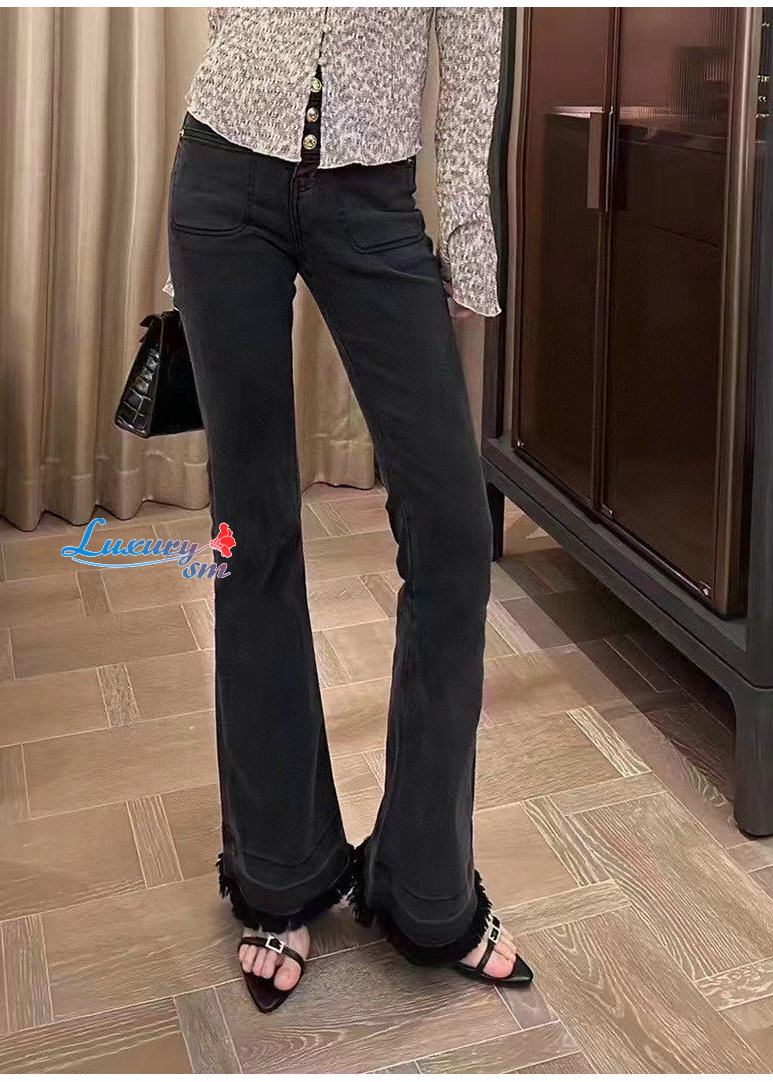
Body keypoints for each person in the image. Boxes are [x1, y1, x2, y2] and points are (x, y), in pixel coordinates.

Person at [166, 6, 532, 1013]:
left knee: (453, 535)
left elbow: (473, 42)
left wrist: (468, 238)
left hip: (373, 198)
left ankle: (426, 889)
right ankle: (277, 872)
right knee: (250, 539)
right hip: (222, 179)